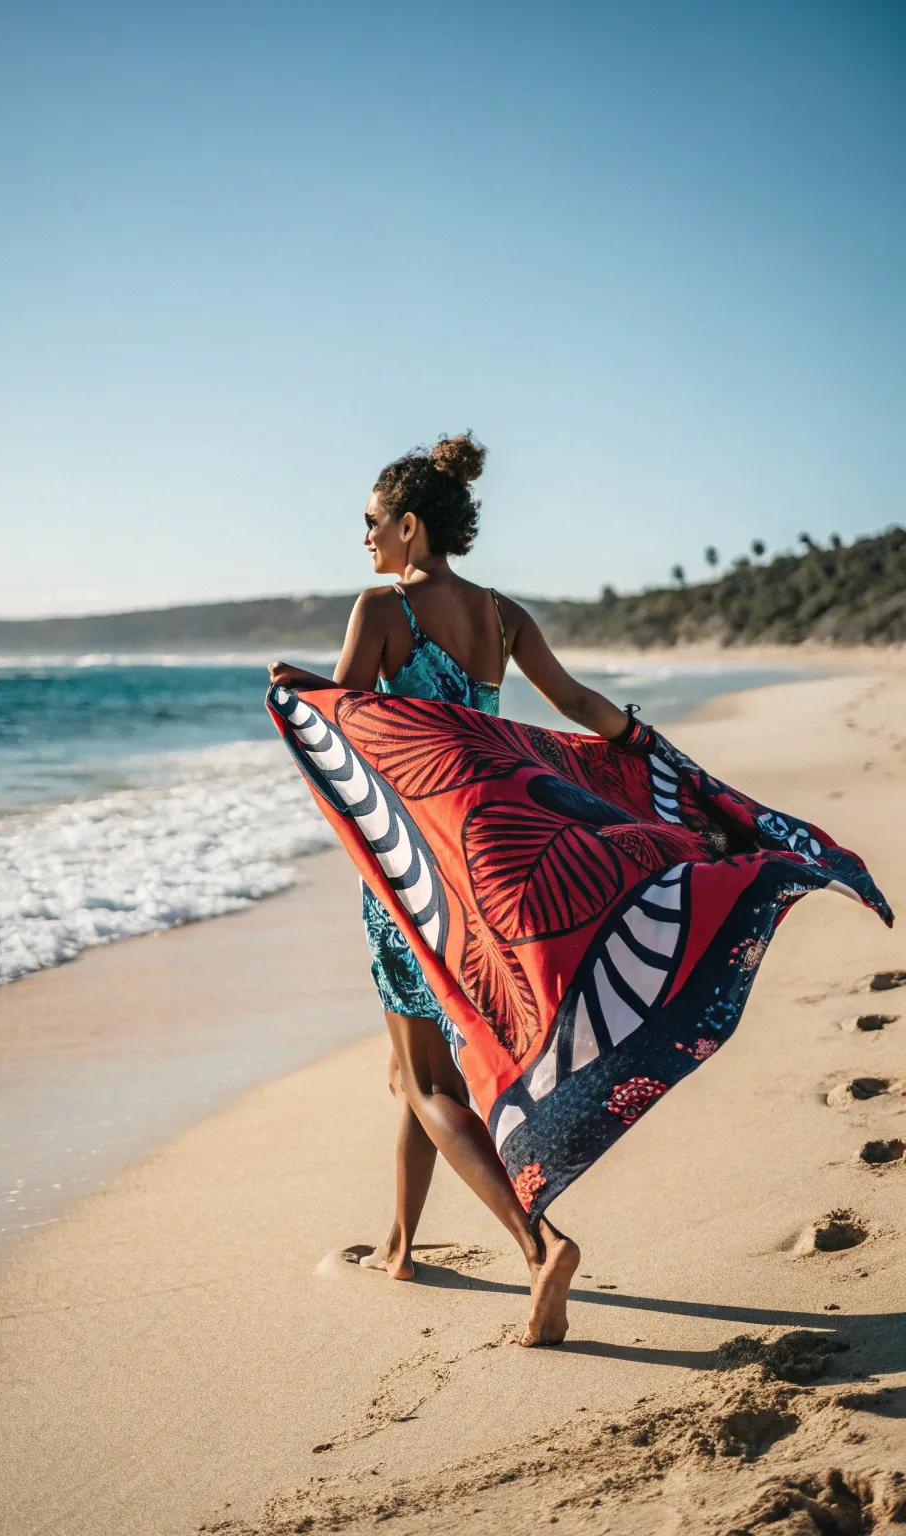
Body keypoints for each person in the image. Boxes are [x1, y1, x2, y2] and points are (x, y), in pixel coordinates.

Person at [266, 432, 647, 1345]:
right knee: (414, 1072)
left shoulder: (382, 609)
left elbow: (350, 726)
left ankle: (539, 1242)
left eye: (371, 522)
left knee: (427, 1078)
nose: (364, 538)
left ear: (409, 525)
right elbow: (578, 705)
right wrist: (644, 748)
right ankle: (400, 1246)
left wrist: (301, 687)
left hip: (414, 869)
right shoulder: (503, 615)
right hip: (490, 868)